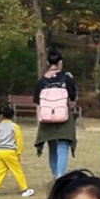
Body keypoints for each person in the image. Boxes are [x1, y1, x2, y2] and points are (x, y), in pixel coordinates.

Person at [33, 50, 78, 179]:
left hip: (46, 119)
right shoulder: (66, 79)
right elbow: (73, 98)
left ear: (48, 62)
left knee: (52, 147)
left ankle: (55, 176)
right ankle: (60, 176)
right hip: (64, 117)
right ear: (60, 63)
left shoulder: (41, 82)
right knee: (63, 146)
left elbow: (38, 104)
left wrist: (39, 121)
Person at [0, 104, 34, 199]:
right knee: (17, 171)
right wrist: (18, 153)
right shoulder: (14, 126)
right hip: (10, 152)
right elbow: (19, 140)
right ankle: (24, 189)